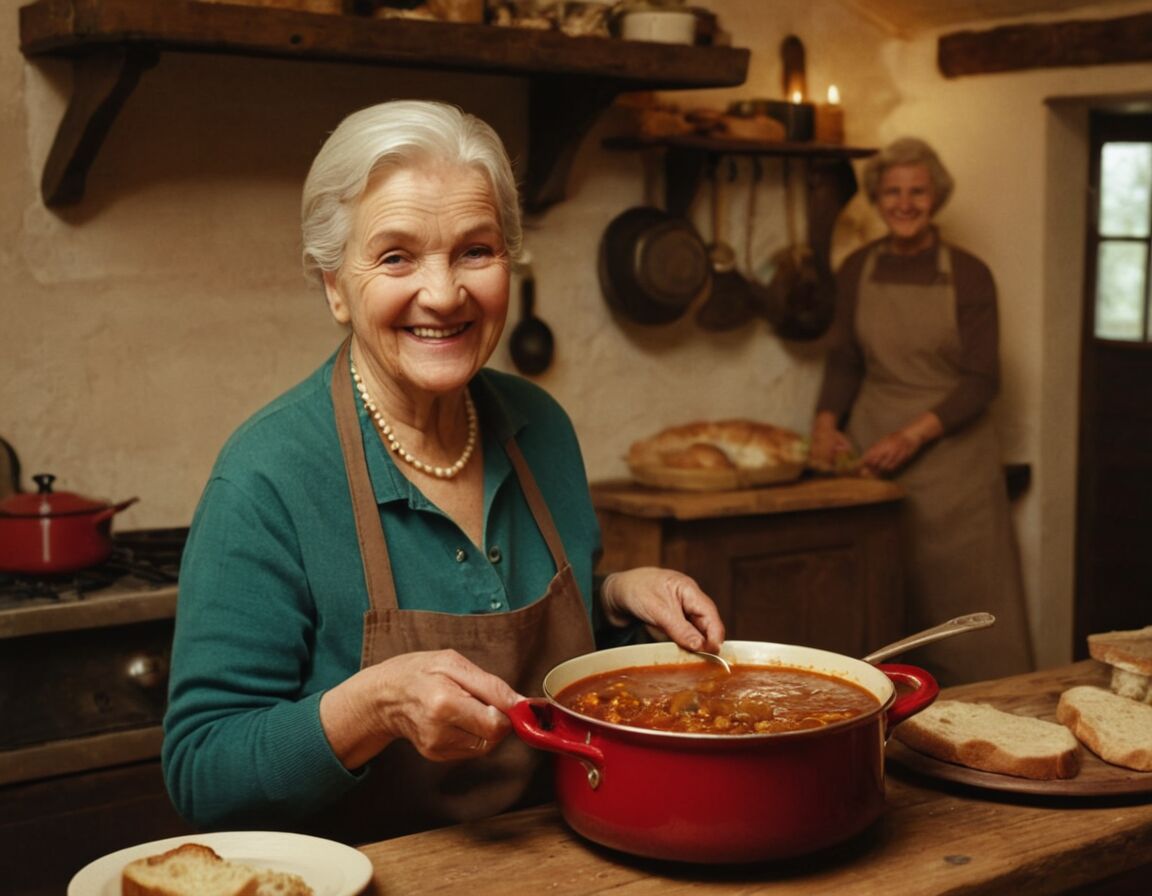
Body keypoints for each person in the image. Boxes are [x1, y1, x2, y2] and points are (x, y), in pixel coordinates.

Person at [162, 100, 724, 844]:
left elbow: (553, 668)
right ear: (335, 286)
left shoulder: (540, 430)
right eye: (396, 256)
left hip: (574, 855)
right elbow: (203, 774)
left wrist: (617, 598)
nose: (444, 292)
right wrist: (374, 707)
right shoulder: (267, 477)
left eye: (475, 251)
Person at [809, 136, 1033, 686]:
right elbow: (843, 362)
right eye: (892, 192)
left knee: (974, 620)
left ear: (936, 198)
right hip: (875, 465)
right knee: (882, 609)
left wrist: (910, 437)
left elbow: (983, 381)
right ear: (878, 199)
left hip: (955, 464)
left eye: (917, 191)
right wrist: (825, 425)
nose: (904, 203)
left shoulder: (971, 274)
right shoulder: (857, 268)